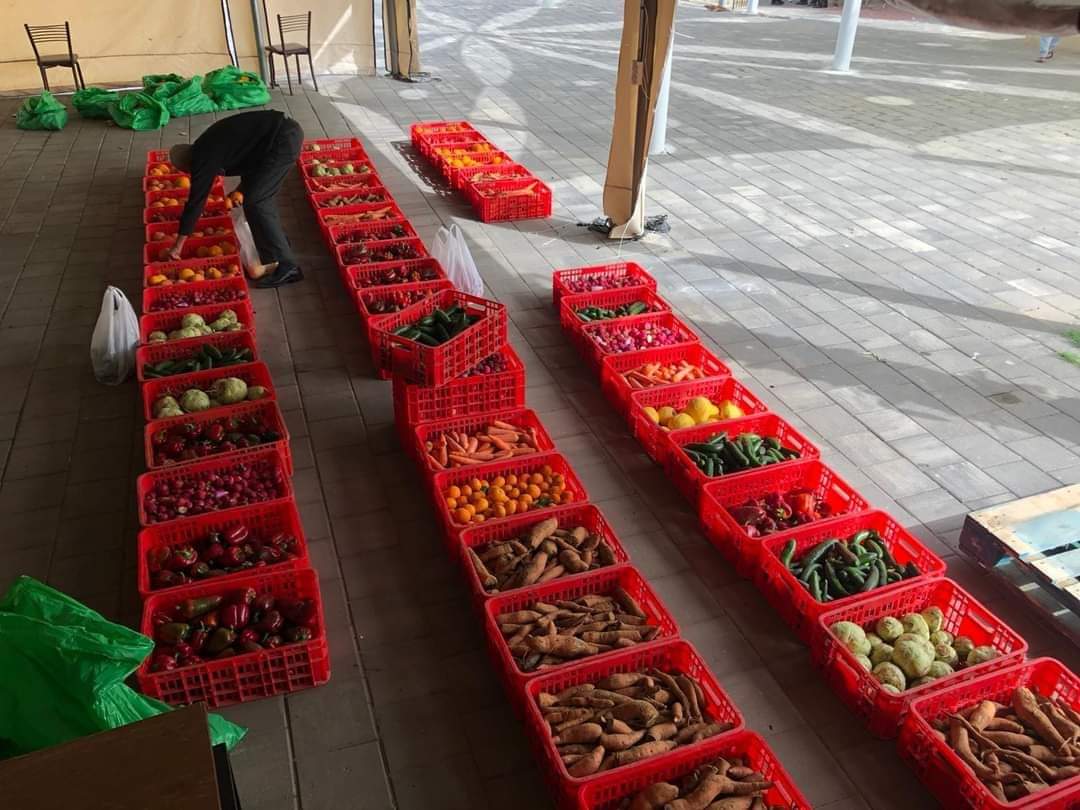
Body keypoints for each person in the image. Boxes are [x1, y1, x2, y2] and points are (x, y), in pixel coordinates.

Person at [168, 110, 305, 289]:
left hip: (283, 139)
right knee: (258, 196)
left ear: (191, 165)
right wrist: (240, 189)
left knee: (257, 201)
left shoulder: (204, 158)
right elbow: (251, 161)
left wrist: (179, 244)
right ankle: (280, 244)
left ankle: (288, 266)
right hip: (279, 136)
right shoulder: (207, 146)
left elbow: (196, 201)